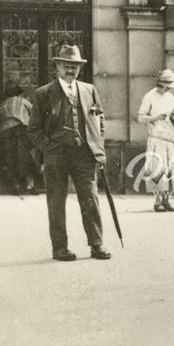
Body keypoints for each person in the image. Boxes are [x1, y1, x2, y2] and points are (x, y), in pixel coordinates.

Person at [27, 44, 110, 261]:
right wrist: (50, 148)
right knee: (56, 201)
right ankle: (60, 248)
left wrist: (97, 145)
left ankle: (97, 244)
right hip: (56, 156)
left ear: (79, 68)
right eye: (66, 66)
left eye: (74, 66)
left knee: (90, 199)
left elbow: (99, 120)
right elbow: (33, 130)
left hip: (84, 155)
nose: (70, 71)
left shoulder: (89, 90)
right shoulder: (43, 93)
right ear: (57, 67)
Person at [138, 69, 174, 212]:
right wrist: (155, 117)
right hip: (157, 139)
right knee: (158, 170)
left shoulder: (170, 97)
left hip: (169, 139)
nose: (168, 88)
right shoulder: (149, 97)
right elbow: (140, 118)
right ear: (162, 84)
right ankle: (158, 202)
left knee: (169, 171)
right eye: (167, 85)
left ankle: (166, 201)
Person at [0, 80, 37, 195]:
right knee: (26, 156)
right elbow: (34, 113)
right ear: (19, 92)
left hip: (5, 132)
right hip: (21, 129)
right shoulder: (23, 101)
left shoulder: (3, 104)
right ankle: (30, 185)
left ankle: (16, 185)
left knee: (11, 157)